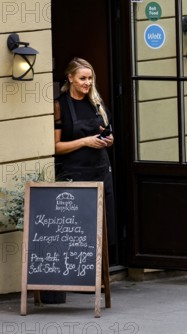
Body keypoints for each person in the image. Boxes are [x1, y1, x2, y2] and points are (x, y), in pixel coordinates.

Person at [53, 57, 116, 245]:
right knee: (79, 226)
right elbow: (55, 147)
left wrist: (109, 140)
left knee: (104, 225)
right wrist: (84, 142)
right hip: (75, 175)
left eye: (90, 78)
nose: (88, 83)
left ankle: (103, 272)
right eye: (83, 78)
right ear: (70, 78)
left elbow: (107, 133)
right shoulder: (60, 105)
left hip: (101, 171)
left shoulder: (96, 103)